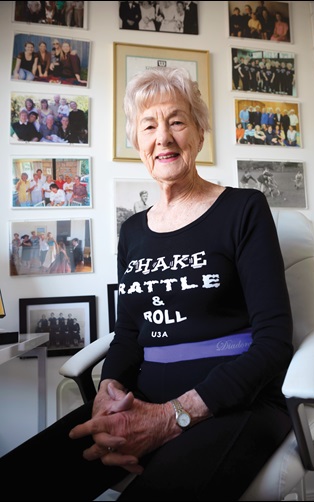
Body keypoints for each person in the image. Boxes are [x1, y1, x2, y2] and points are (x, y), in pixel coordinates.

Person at [0, 66, 293, 501]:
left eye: (177, 121)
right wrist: (108, 392)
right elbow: (129, 334)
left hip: (235, 404)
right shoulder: (133, 231)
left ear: (199, 132)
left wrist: (170, 418)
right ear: (137, 143)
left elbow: (274, 342)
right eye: (149, 126)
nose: (164, 138)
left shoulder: (244, 209)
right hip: (141, 399)